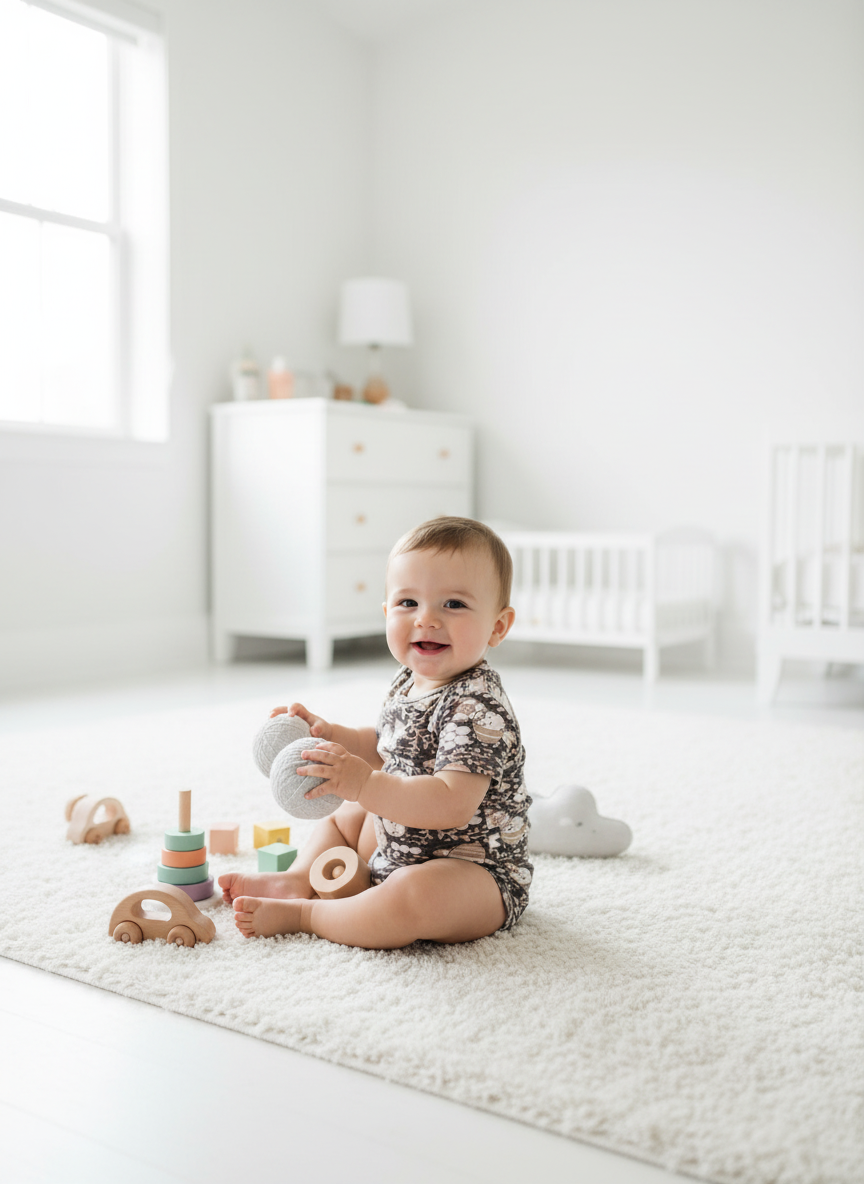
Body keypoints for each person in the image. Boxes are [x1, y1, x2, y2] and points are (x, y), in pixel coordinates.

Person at [218, 517, 533, 948]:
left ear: (498, 626)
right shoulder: (408, 680)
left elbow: (450, 803)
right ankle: (296, 879)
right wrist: (331, 736)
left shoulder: (477, 707)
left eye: (453, 605)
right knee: (346, 816)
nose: (427, 620)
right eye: (408, 603)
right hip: (398, 841)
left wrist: (363, 783)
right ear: (386, 612)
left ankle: (311, 913)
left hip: (472, 870)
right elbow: (385, 746)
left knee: (413, 898)